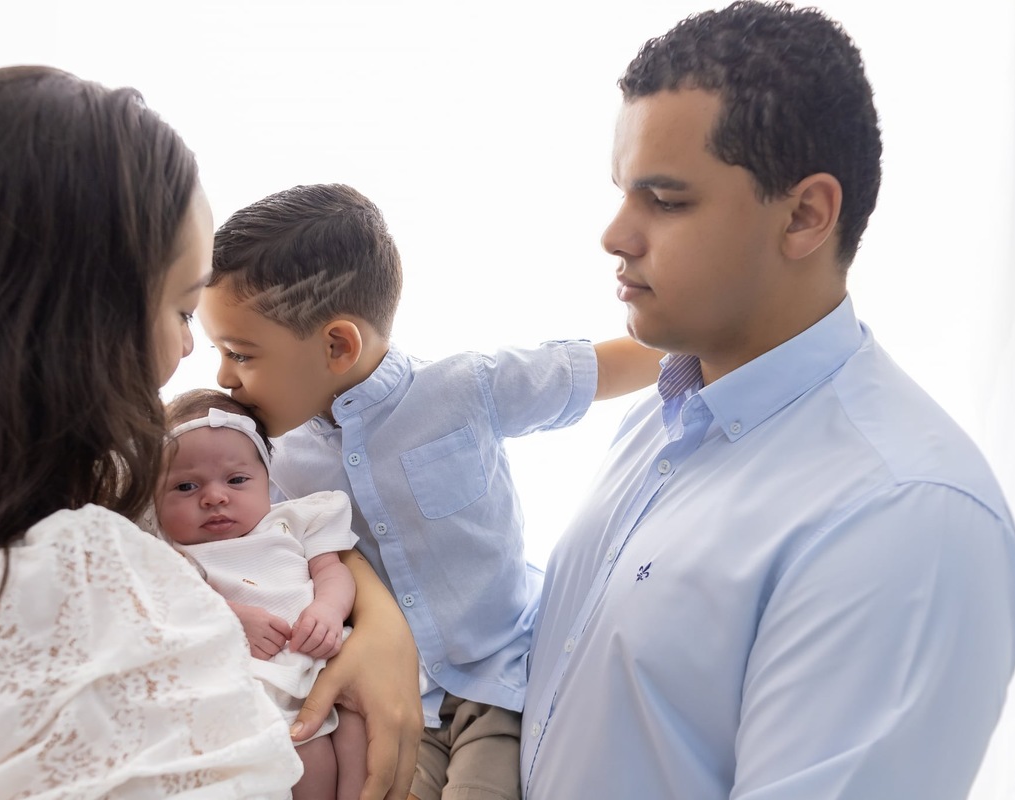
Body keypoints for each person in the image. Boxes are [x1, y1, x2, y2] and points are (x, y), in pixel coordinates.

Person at [0, 66, 420, 800]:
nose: (190, 356)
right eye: (179, 311)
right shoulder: (80, 576)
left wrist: (379, 617)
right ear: (79, 324)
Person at [519, 3, 1015, 799]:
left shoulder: (905, 516)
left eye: (667, 200)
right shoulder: (665, 416)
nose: (615, 234)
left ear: (805, 215)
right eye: (623, 192)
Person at [197, 182, 664, 800]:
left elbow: (610, 365)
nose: (223, 377)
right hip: (388, 697)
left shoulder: (467, 390)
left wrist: (729, 331)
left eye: (239, 354)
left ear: (338, 345)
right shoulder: (264, 462)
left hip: (499, 682)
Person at [151, 388, 366, 800]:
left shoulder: (293, 520)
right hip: (253, 678)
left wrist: (328, 608)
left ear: (268, 480)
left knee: (357, 725)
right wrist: (231, 616)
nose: (214, 497)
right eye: (185, 486)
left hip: (316, 650)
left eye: (236, 480)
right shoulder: (171, 553)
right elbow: (171, 602)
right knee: (304, 746)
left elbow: (332, 571)